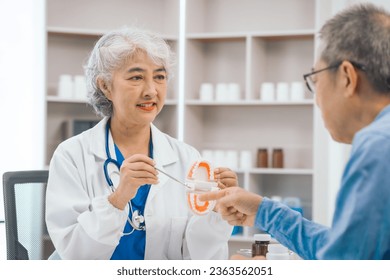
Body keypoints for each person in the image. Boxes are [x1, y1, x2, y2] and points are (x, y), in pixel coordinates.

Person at [200, 3, 390, 260]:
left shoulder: (378, 144)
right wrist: (264, 211)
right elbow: (349, 249)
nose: (316, 98)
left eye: (316, 79)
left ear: (347, 77)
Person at [45, 27, 236, 260]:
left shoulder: (188, 158)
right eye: (136, 77)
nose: (151, 91)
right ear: (105, 86)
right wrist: (117, 200)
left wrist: (215, 212)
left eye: (160, 77)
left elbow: (199, 259)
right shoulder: (72, 155)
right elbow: (75, 254)